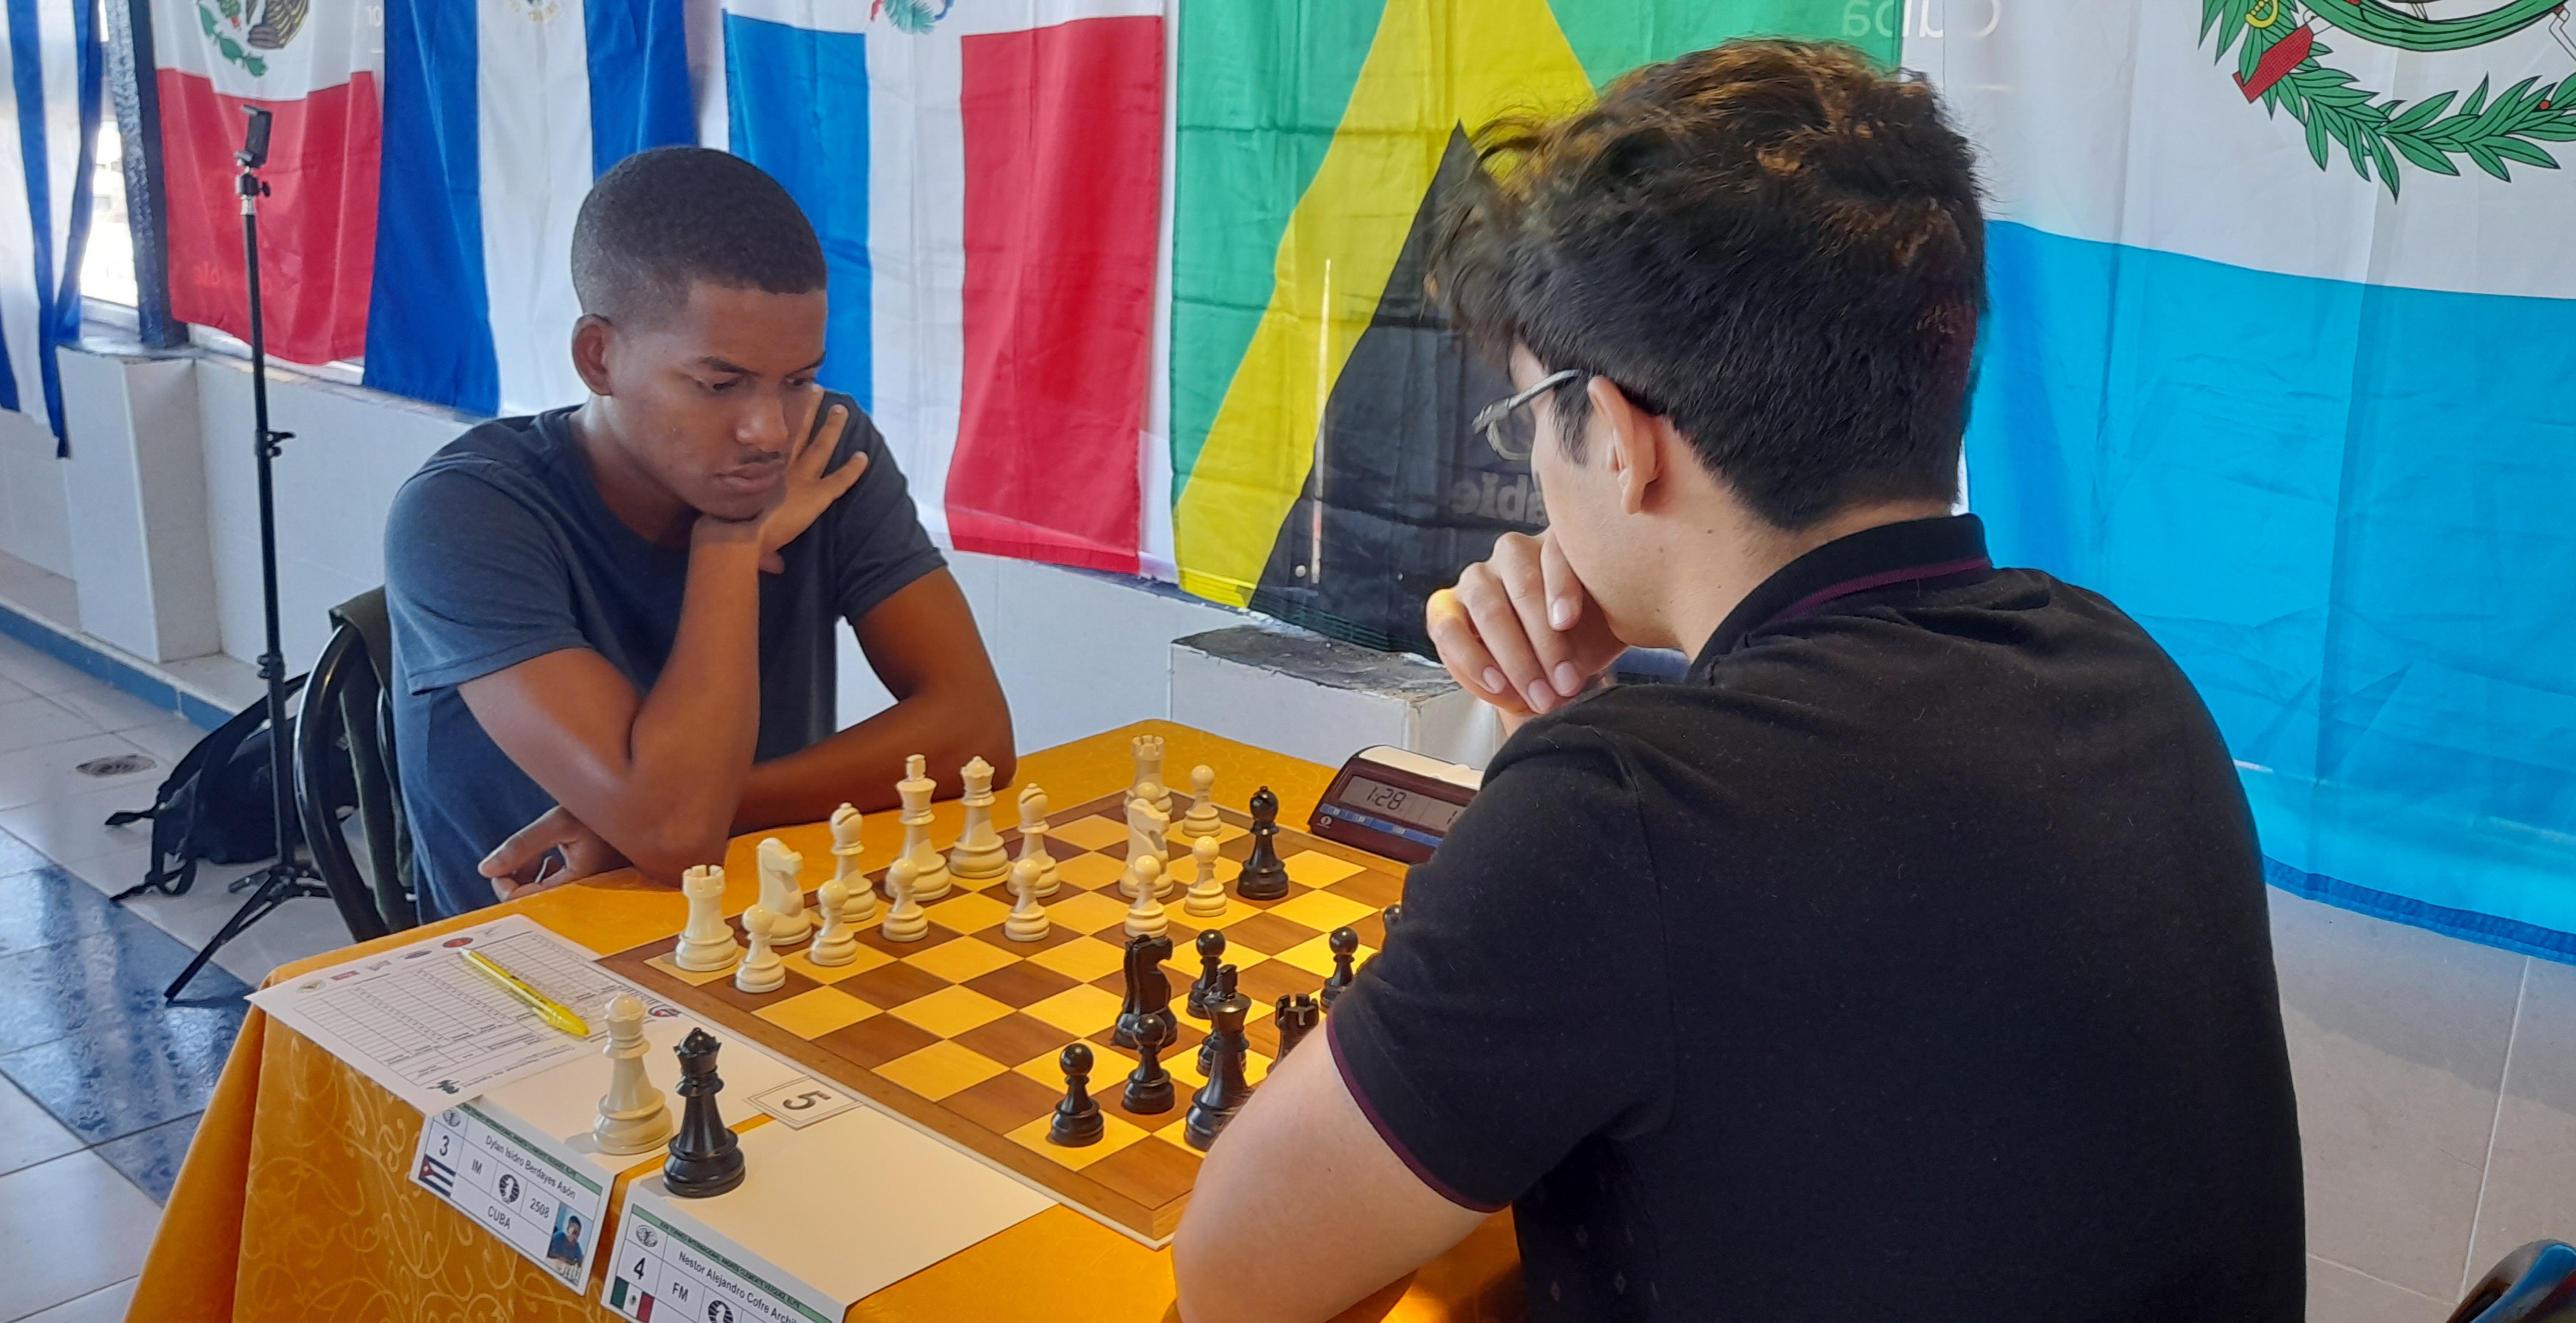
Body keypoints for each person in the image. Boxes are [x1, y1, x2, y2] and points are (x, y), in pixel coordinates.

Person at [1174, 40, 2303, 1323]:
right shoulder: (2124, 669)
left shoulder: (1623, 817)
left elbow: (1235, 1273)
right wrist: (1595, 694)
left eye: (1529, 422)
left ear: (1621, 438)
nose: (1535, 479)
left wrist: (1570, 759)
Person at [386, 147, 1011, 923]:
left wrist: (704, 806)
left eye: (797, 379)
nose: (768, 430)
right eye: (719, 384)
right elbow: (677, 832)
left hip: (754, 919)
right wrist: (729, 548)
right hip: (525, 956)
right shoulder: (464, 511)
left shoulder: (823, 449)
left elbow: (976, 733)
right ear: (598, 358)